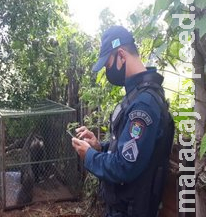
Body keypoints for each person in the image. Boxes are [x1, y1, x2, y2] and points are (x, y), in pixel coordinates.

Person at [71, 26, 174, 217]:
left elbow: (124, 166)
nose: (108, 71)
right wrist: (100, 147)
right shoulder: (138, 96)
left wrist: (89, 156)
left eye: (108, 65)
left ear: (121, 55)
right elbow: (132, 150)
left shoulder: (144, 104)